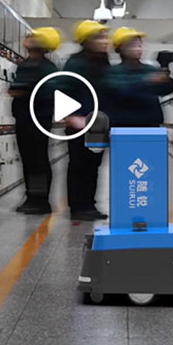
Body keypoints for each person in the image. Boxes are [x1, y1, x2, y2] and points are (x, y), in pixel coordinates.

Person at [59, 20, 112, 221]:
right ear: (87, 40)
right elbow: (63, 90)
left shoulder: (104, 63)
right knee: (78, 165)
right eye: (100, 37)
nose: (105, 41)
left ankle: (89, 204)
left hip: (98, 123)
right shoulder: (75, 63)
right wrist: (69, 116)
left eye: (105, 36)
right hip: (79, 122)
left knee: (93, 165)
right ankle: (77, 207)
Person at [8, 27, 61, 214]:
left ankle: (41, 200)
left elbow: (48, 94)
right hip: (23, 118)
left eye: (33, 37)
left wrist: (23, 91)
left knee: (38, 160)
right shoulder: (26, 64)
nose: (28, 38)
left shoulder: (47, 68)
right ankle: (31, 197)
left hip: (38, 119)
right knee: (28, 160)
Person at [106, 27, 173, 127]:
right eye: (132, 45)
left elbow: (165, 89)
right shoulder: (113, 72)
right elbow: (122, 90)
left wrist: (166, 80)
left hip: (151, 125)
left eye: (139, 45)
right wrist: (148, 81)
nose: (138, 49)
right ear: (120, 48)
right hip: (123, 126)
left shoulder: (150, 69)